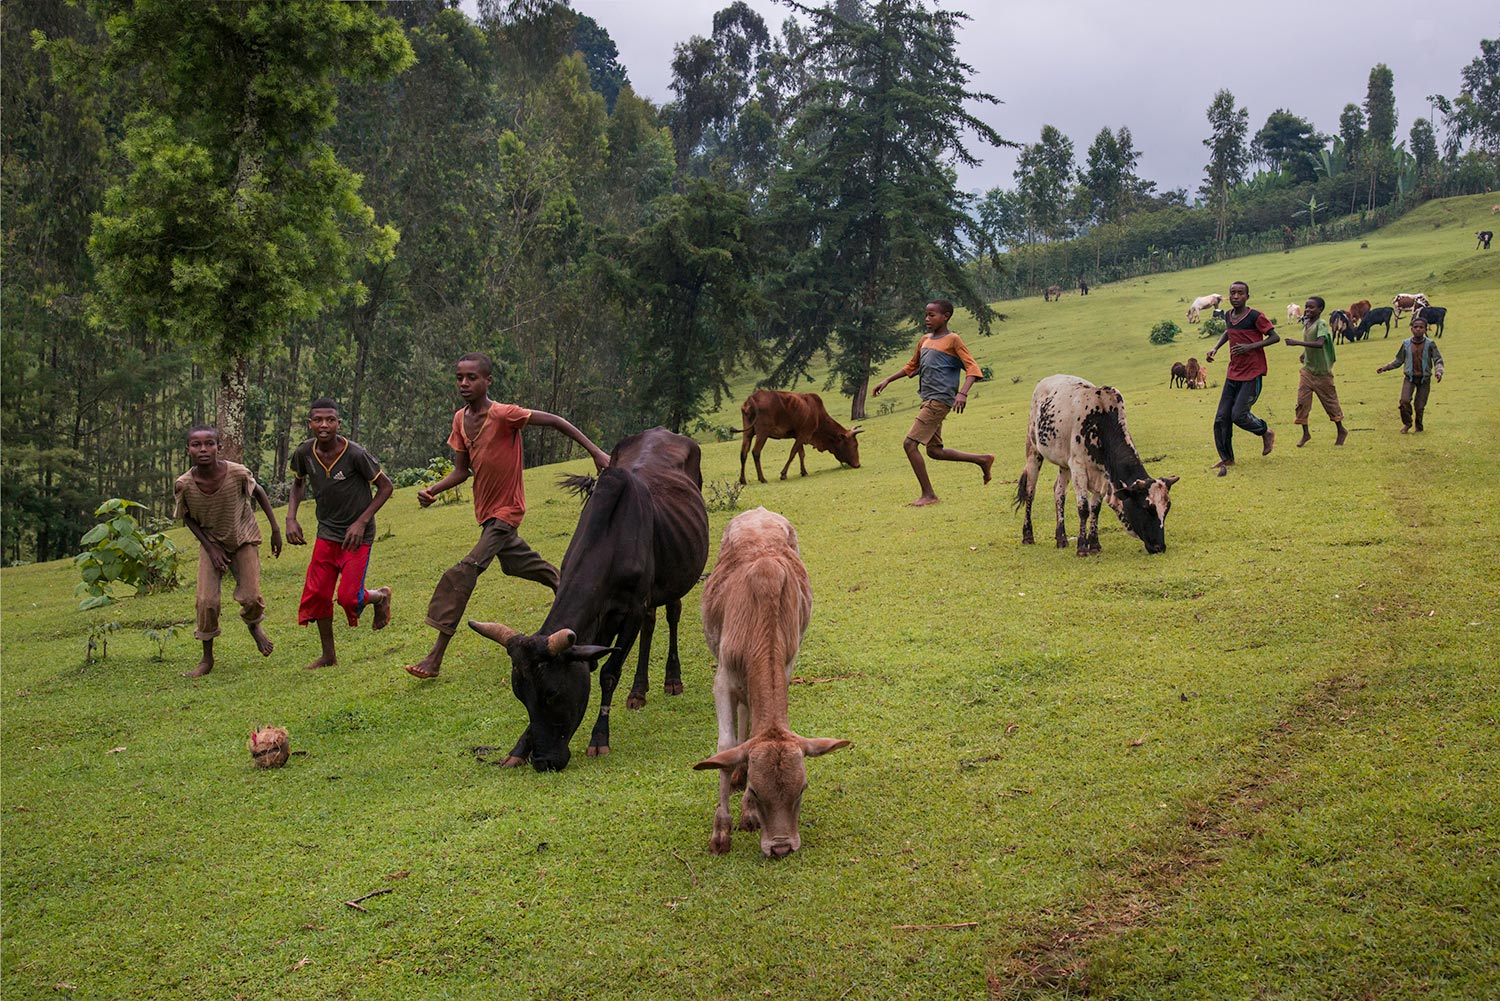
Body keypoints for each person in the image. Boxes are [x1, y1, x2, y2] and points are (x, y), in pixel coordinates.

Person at [404, 352, 611, 680]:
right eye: (459, 377)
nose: (464, 383)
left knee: (465, 571)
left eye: (472, 377)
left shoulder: (504, 415)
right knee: (521, 564)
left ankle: (435, 656)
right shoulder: (460, 419)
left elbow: (556, 421)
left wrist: (596, 452)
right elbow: (462, 471)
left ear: (488, 381)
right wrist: (434, 490)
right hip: (487, 515)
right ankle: (580, 596)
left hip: (506, 512)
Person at [285, 398, 394, 670]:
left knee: (348, 598)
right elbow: (298, 484)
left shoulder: (355, 454)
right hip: (326, 533)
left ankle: (379, 596)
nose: (324, 425)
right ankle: (328, 656)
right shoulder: (304, 453)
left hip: (357, 536)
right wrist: (290, 518)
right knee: (319, 595)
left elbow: (386, 487)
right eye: (318, 420)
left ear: (338, 423)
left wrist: (361, 521)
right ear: (309, 424)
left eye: (330, 420)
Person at [174, 425, 282, 677]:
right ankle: (207, 658)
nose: (203, 449)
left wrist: (275, 529)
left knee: (251, 597)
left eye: (209, 444)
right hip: (211, 543)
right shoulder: (184, 485)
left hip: (243, 538)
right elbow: (187, 518)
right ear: (188, 450)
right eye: (196, 445)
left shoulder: (237, 473)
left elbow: (260, 493)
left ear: (219, 447)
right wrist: (210, 548)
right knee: (207, 601)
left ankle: (254, 626)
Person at [872, 299, 994, 506]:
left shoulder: (953, 339)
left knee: (909, 444)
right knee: (934, 451)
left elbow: (973, 369)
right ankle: (983, 459)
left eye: (932, 315)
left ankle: (928, 495)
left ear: (945, 316)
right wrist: (887, 380)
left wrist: (962, 394)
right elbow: (912, 366)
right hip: (927, 398)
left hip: (939, 400)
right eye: (926, 315)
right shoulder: (924, 340)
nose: (927, 319)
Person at [1205, 281, 1280, 476]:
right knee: (1221, 417)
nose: (1236, 296)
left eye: (1240, 293)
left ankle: (1265, 432)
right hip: (1233, 373)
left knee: (1238, 415)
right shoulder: (1229, 315)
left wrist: (1251, 346)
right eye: (1232, 293)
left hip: (1252, 373)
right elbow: (1228, 332)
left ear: (1247, 296)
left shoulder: (1255, 316)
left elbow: (1274, 337)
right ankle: (1227, 458)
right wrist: (1215, 348)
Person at [1281, 296, 1347, 447]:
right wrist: (1304, 353)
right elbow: (1311, 342)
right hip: (1308, 370)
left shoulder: (1321, 324)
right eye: (1306, 307)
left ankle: (1341, 430)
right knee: (1302, 401)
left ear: (1320, 309)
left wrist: (1296, 343)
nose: (1308, 310)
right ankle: (1306, 433)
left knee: (1330, 402)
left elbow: (1319, 343)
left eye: (1312, 307)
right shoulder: (1307, 323)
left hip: (1322, 371)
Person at [1376, 315, 1444, 433]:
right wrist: (1385, 368)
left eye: (1421, 327)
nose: (1418, 329)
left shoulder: (1430, 344)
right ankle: (1407, 423)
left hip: (1424, 379)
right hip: (1409, 378)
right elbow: (1398, 360)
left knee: (1419, 406)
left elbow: (1438, 360)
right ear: (1411, 329)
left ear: (1426, 329)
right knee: (1404, 401)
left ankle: (1419, 426)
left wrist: (1438, 372)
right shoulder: (1406, 344)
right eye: (1415, 327)